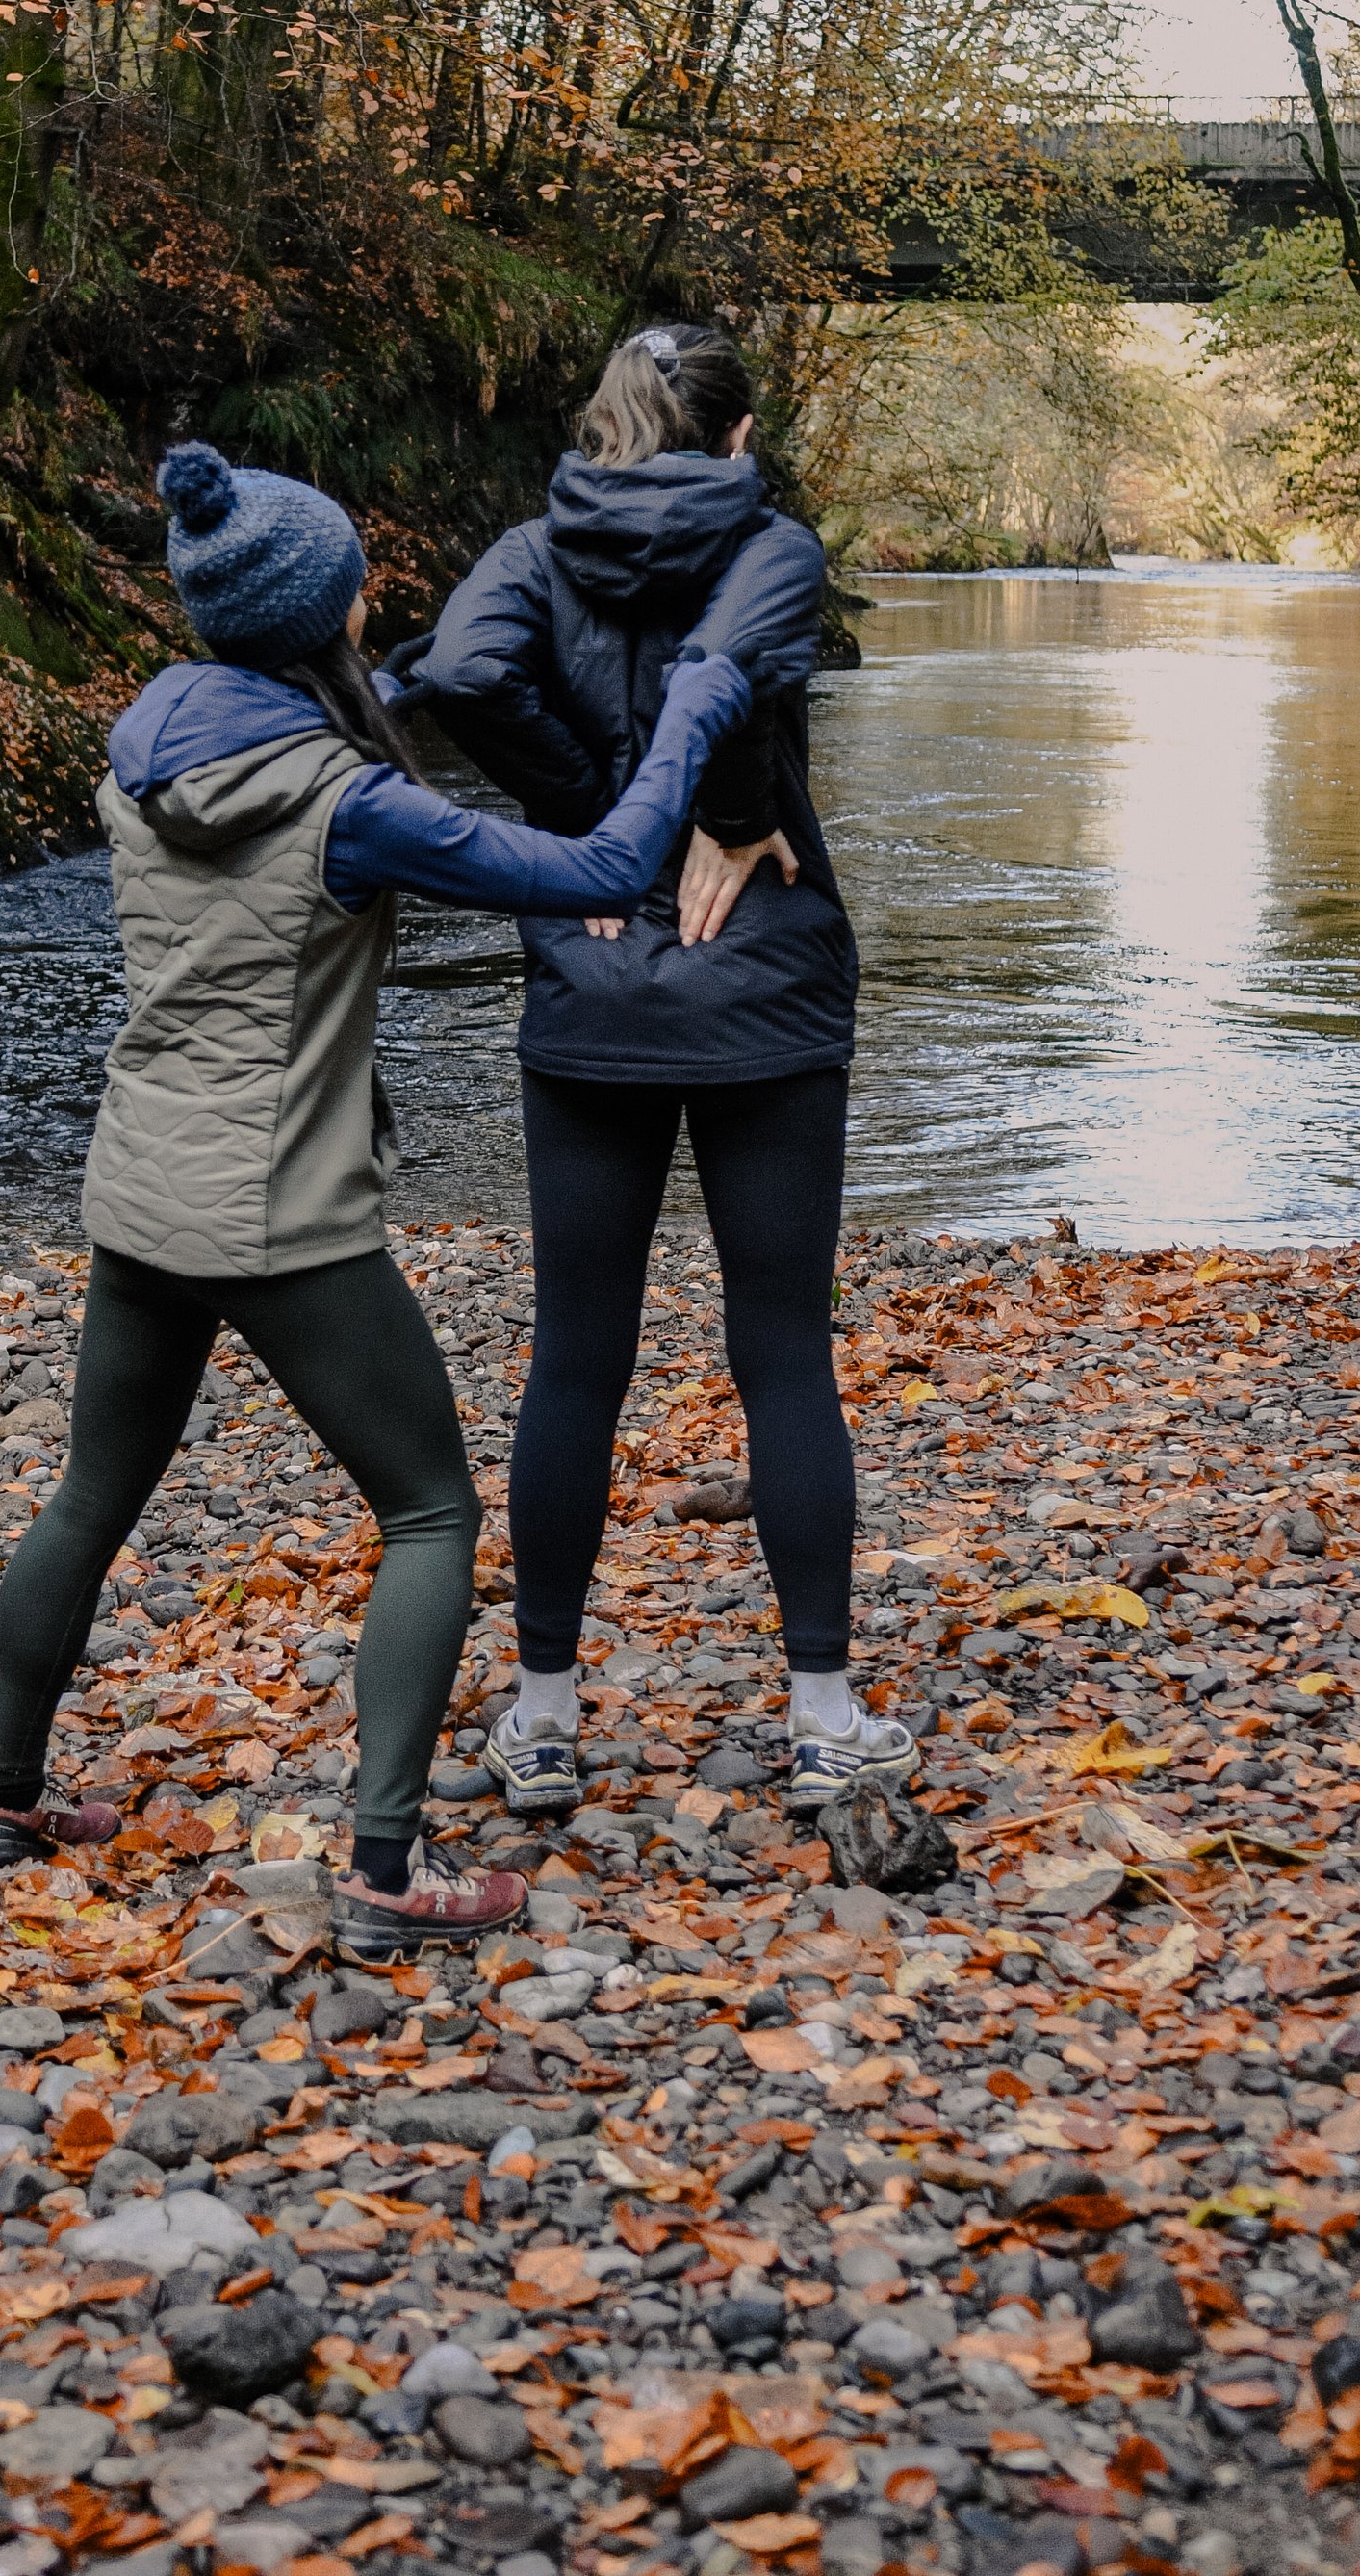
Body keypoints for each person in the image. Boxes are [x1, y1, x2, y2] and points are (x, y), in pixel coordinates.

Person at [0, 436, 750, 1965]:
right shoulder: (343, 802)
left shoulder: (147, 744)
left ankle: (2, 1796)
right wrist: (699, 709)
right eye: (354, 585)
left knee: (89, 1496)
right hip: (277, 1208)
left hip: (140, 1185)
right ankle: (384, 1865)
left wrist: (412, 677)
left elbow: (308, 740)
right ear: (313, 611)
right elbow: (609, 856)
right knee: (432, 1510)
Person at [404, 322, 909, 1816]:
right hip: (766, 987)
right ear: (740, 438)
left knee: (578, 1352)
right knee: (782, 1348)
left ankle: (545, 1718)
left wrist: (591, 842)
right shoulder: (776, 543)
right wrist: (705, 815)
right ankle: (822, 1719)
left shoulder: (533, 544)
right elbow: (731, 676)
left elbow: (460, 668)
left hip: (594, 980)